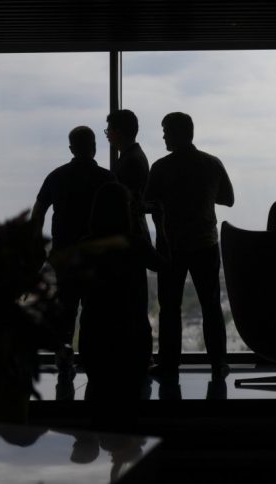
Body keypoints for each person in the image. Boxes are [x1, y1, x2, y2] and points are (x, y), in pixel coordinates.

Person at [144, 112, 234, 380]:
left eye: (165, 131)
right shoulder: (212, 164)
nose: (163, 136)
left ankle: (169, 364)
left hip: (171, 246)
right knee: (211, 306)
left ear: (176, 134)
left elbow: (147, 203)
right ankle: (219, 363)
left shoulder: (161, 168)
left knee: (170, 308)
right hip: (206, 243)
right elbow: (228, 199)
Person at [77, 182, 166, 429]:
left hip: (94, 338)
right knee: (131, 405)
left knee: (98, 399)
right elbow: (163, 264)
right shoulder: (136, 244)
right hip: (132, 338)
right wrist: (159, 225)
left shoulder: (85, 246)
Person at [30, 126, 115, 382]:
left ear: (71, 149)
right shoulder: (107, 178)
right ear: (94, 146)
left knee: (66, 313)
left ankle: (64, 363)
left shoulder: (56, 176)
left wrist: (37, 245)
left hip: (64, 256)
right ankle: (93, 361)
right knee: (94, 313)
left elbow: (38, 212)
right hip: (97, 258)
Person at [105, 109, 151, 241]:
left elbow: (126, 201)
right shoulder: (135, 156)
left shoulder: (130, 160)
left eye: (108, 130)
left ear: (118, 132)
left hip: (129, 233)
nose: (107, 135)